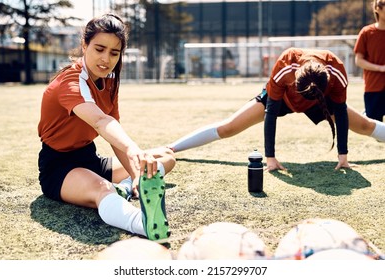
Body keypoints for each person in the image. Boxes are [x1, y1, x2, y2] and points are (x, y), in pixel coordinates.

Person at [37, 14, 176, 240]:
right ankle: (144, 224)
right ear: (85, 45)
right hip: (59, 168)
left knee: (166, 158)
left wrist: (137, 173)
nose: (106, 59)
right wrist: (134, 151)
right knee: (104, 190)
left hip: (90, 159)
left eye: (114, 52)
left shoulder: (110, 81)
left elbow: (114, 134)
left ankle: (127, 186)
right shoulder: (70, 82)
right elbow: (101, 122)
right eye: (99, 49)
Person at [168, 47, 385, 171]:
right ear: (294, 80)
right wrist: (270, 158)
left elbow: (340, 111)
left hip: (322, 100)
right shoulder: (286, 64)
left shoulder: (336, 71)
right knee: (228, 127)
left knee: (365, 125)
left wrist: (343, 155)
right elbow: (270, 113)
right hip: (282, 100)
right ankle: (173, 147)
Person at [354, 0, 385, 122]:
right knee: (375, 127)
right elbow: (359, 60)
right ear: (377, 8)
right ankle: (367, 113)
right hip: (374, 87)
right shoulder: (367, 32)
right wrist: (380, 68)